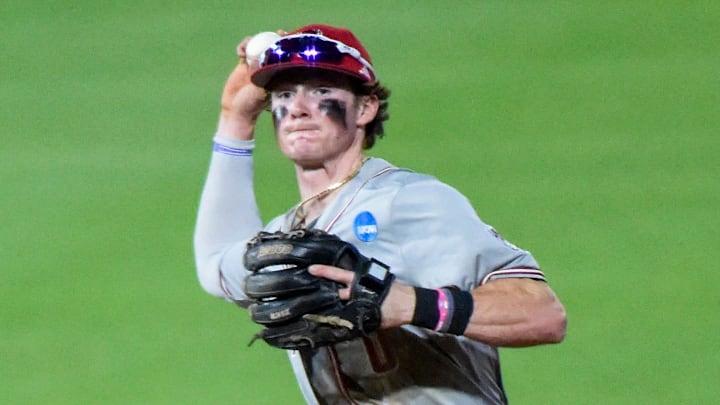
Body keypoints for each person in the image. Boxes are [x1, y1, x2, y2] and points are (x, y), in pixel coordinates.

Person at [194, 23, 567, 405]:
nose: (299, 109)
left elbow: (543, 314)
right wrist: (235, 121)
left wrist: (410, 304)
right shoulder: (288, 235)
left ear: (365, 108)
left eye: (322, 91)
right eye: (285, 94)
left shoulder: (407, 200)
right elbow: (216, 265)